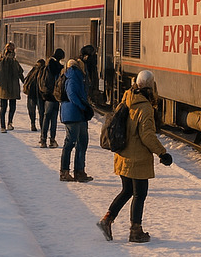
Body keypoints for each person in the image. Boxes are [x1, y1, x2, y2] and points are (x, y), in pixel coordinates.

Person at [97, 70, 172, 243]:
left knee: (127, 190)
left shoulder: (127, 98)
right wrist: (162, 153)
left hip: (123, 154)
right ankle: (135, 231)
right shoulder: (145, 107)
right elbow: (147, 135)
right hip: (137, 158)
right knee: (139, 194)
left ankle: (107, 219)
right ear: (151, 86)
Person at [59, 59, 94, 182]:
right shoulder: (73, 75)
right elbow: (72, 94)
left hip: (78, 115)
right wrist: (82, 106)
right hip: (73, 114)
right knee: (70, 143)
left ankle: (79, 171)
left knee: (82, 142)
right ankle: (64, 172)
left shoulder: (77, 76)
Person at [0, 42, 24, 133]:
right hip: (13, 87)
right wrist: (26, 83)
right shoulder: (14, 61)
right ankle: (9, 123)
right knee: (12, 106)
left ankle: (2, 126)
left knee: (3, 107)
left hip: (2, 88)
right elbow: (20, 73)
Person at [38, 48, 65, 148]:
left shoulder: (48, 64)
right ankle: (52, 140)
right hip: (53, 97)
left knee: (46, 118)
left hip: (47, 96)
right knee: (53, 119)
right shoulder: (55, 66)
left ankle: (43, 139)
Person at [23, 58, 46, 132]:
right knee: (41, 111)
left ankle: (33, 123)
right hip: (40, 95)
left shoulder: (33, 70)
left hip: (31, 94)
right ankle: (42, 126)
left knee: (32, 110)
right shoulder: (44, 71)